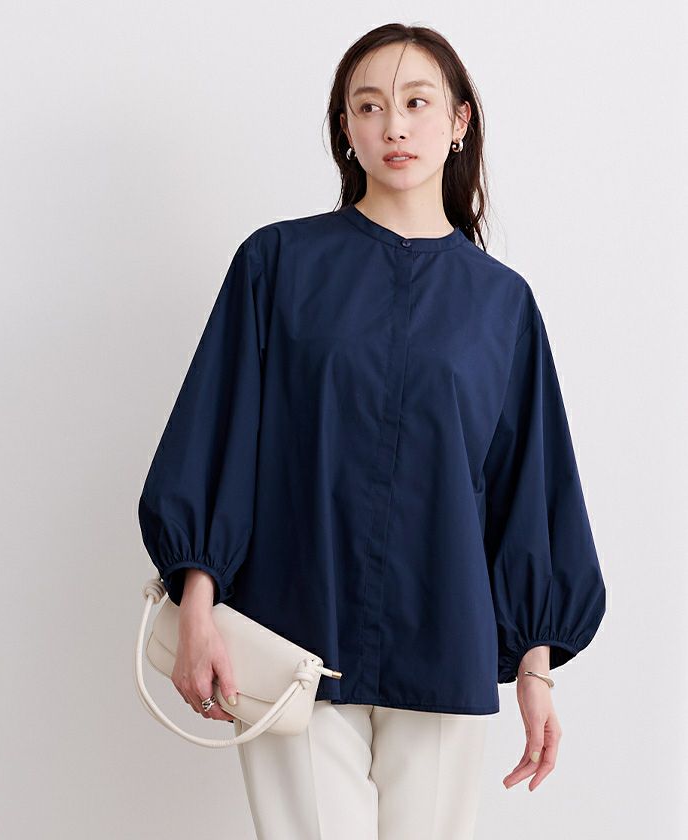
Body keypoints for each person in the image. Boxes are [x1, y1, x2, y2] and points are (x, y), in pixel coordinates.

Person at [137, 22, 606, 840]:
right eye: (369, 106)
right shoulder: (276, 265)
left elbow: (529, 489)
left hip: (444, 641)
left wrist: (536, 669)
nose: (394, 125)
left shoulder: (502, 305)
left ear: (459, 121)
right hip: (293, 637)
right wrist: (197, 608)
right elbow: (220, 435)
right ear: (345, 128)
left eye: (417, 103)